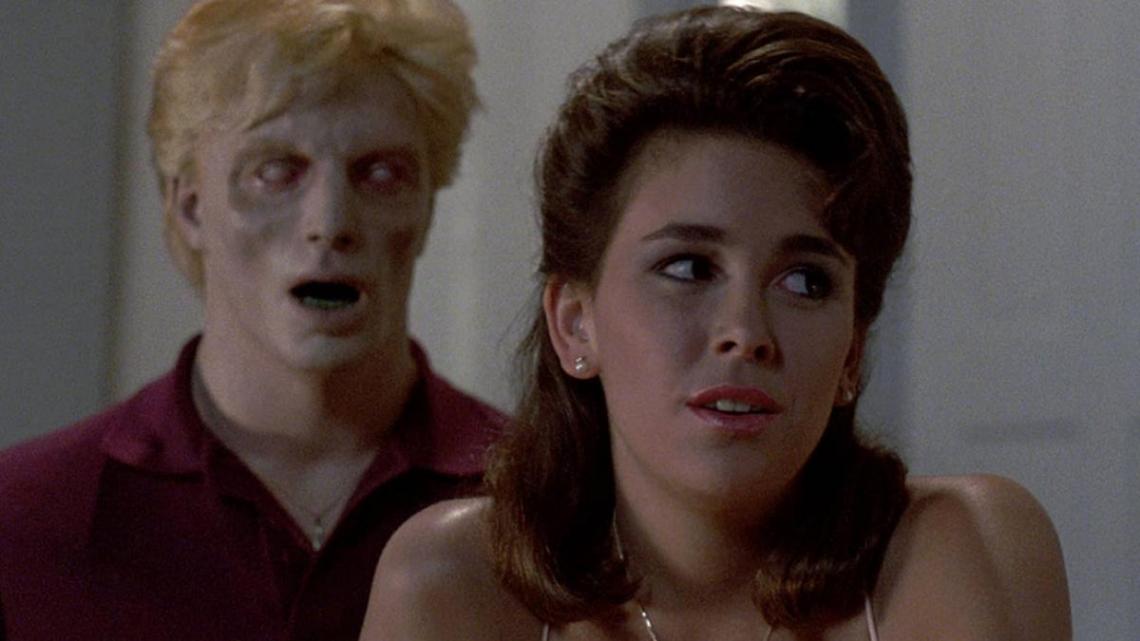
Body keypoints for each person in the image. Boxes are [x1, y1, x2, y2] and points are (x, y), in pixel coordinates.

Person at [358, 7, 1071, 641]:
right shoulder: (449, 585)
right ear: (575, 324)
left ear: (852, 351)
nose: (745, 332)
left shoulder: (959, 550)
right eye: (690, 268)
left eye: (805, 281)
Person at [0, 1, 506, 639]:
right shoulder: (27, 523)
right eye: (276, 172)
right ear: (190, 208)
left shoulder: (545, 503)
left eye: (381, 173)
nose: (331, 221)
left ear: (426, 207)